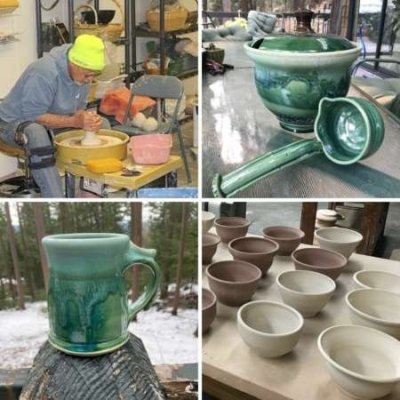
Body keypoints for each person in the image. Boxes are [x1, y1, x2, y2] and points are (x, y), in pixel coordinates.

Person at [0, 34, 109, 198]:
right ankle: (56, 202)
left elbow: (79, 109)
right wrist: (75, 122)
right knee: (36, 133)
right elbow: (33, 116)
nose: (90, 79)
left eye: (94, 75)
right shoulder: (44, 73)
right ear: (74, 63)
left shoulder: (83, 76)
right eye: (87, 75)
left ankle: (89, 194)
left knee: (103, 125)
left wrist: (86, 119)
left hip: (50, 124)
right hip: (11, 123)